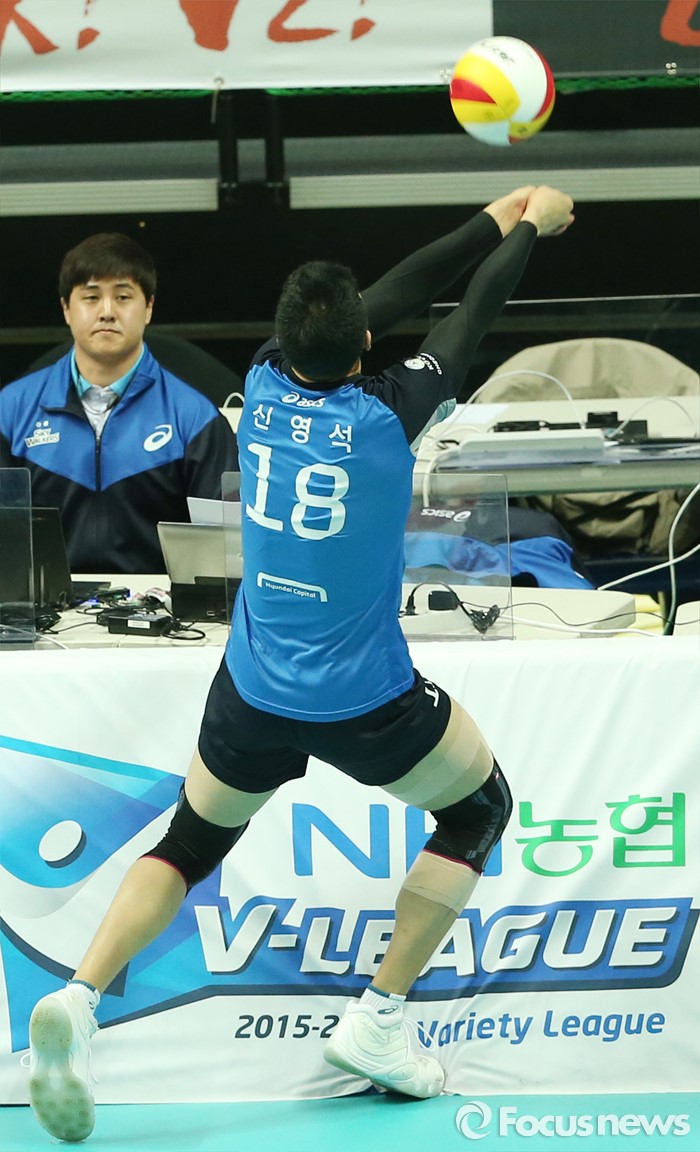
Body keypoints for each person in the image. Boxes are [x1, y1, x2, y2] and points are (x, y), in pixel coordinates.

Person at [26, 185, 574, 1142]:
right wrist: (529, 227)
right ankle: (378, 1021)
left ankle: (79, 995)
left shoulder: (266, 378)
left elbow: (387, 299)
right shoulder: (389, 414)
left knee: (189, 844)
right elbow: (470, 311)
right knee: (478, 810)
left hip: (252, 688)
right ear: (364, 347)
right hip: (366, 700)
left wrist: (495, 218)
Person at [0, 233, 238, 574]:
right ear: (66, 309)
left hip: (160, 604)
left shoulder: (194, 418)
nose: (107, 312)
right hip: (43, 605)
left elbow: (223, 554)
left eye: (123, 297)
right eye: (91, 297)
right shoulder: (10, 412)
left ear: (149, 308)